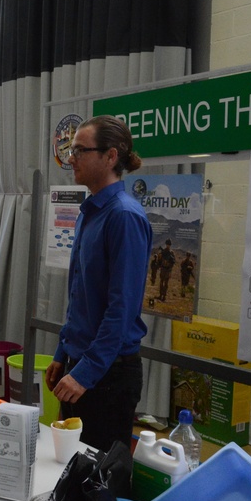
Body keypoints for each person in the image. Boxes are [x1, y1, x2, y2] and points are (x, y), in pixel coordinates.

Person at [45, 115, 151, 452]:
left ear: (110, 156)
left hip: (108, 377)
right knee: (69, 469)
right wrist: (64, 354)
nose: (70, 158)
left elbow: (121, 310)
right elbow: (81, 298)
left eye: (79, 150)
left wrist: (84, 373)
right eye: (70, 150)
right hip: (82, 363)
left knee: (101, 480)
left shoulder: (124, 216)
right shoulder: (91, 212)